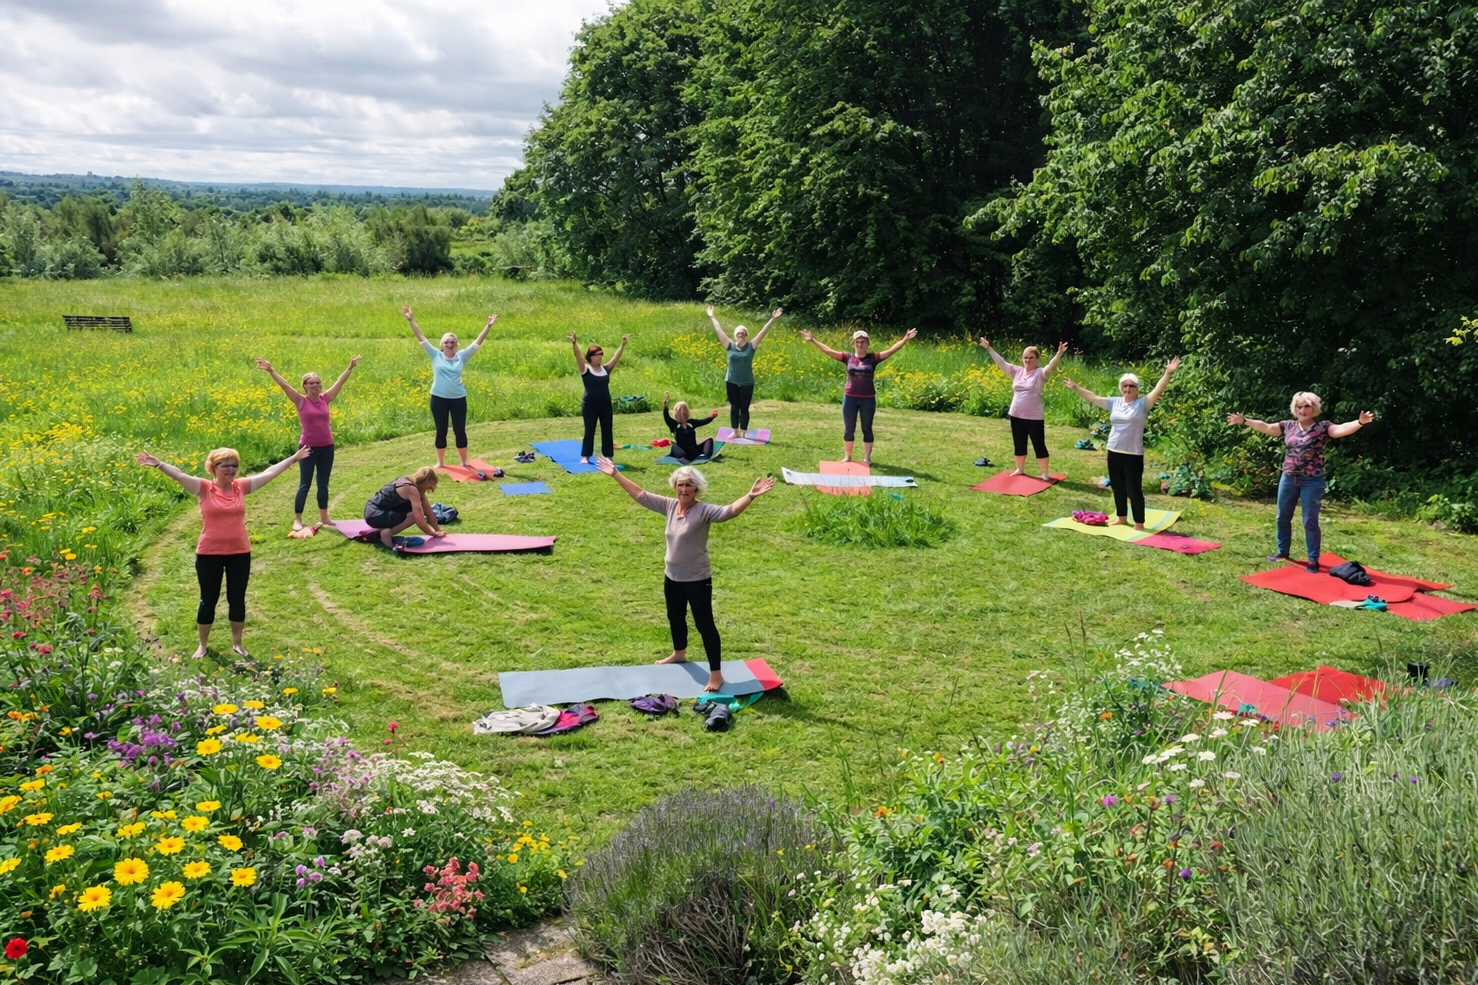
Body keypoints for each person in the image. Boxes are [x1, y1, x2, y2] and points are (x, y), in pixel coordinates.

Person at [595, 456, 774, 692]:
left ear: (696, 488)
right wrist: (616, 474)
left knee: (705, 625)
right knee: (675, 616)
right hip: (672, 577)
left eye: (689, 484)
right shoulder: (669, 505)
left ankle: (716, 675)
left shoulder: (703, 510)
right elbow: (641, 495)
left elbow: (728, 512)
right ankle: (679, 653)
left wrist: (750, 496)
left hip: (697, 579)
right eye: (680, 484)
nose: (684, 489)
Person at [135, 446, 308, 659]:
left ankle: (237, 643)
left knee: (237, 598)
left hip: (240, 552)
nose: (231, 469)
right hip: (209, 554)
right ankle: (202, 645)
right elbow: (180, 475)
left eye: (234, 465)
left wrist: (293, 458)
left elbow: (269, 473)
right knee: (208, 599)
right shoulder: (204, 488)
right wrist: (159, 464)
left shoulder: (240, 487)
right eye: (225, 465)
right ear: (213, 467)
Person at [1227, 394, 1375, 573]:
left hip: (1312, 481)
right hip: (1288, 478)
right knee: (1282, 517)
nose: (1302, 410)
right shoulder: (1288, 426)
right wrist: (1244, 421)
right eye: (1299, 407)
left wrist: (1359, 423)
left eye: (1307, 407)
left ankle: (1313, 560)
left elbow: (1341, 429)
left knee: (1309, 522)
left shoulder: (1322, 427)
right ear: (1294, 409)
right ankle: (1283, 552)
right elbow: (1266, 426)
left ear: (1314, 409)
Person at [1062, 358, 1181, 529]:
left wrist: (1168, 373)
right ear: (1121, 388)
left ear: (1137, 389)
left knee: (1133, 490)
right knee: (1117, 486)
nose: (1127, 389)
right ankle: (1122, 517)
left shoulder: (1143, 403)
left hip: (1133, 453)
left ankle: (1139, 523)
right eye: (1125, 386)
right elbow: (1094, 398)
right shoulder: (1115, 402)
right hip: (1114, 450)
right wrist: (1076, 387)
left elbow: (1158, 389)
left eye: (1131, 386)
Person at [254, 354, 361, 531]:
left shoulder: (325, 398)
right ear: (304, 386)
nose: (315, 386)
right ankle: (298, 519)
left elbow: (339, 383)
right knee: (305, 483)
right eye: (311, 383)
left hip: (327, 447)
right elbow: (284, 385)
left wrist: (350, 368)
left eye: (318, 383)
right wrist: (271, 370)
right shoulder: (300, 401)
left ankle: (324, 517)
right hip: (308, 448)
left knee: (323, 482)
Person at [799, 326, 918, 464]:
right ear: (854, 343)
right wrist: (813, 340)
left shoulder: (873, 358)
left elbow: (891, 350)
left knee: (866, 428)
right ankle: (847, 457)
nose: (860, 344)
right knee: (849, 428)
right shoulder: (847, 357)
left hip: (868, 400)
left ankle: (867, 458)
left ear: (868, 344)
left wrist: (905, 339)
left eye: (863, 341)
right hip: (850, 398)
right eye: (857, 341)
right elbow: (828, 351)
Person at [402, 306, 495, 468]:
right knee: (441, 430)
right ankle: (440, 462)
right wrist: (411, 320)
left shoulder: (462, 356)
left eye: (452, 342)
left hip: (458, 399)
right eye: (447, 342)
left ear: (457, 344)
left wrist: (488, 326)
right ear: (442, 344)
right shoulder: (435, 354)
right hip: (438, 399)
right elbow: (421, 337)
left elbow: (476, 343)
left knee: (460, 430)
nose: (450, 344)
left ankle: (464, 461)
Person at [978, 338, 1069, 477]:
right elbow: (1001, 362)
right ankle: (1020, 469)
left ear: (1037, 359)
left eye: (1031, 358)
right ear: (1022, 359)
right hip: (1016, 415)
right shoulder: (1017, 372)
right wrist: (989, 348)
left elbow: (1051, 365)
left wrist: (1058, 354)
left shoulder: (1040, 373)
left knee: (1039, 444)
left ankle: (1044, 473)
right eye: (1025, 358)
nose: (1028, 360)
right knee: (1019, 443)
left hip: (1034, 416)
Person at [707, 305, 782, 431]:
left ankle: (744, 431)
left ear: (746, 335)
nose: (741, 334)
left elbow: (763, 332)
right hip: (731, 381)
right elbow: (719, 331)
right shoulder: (729, 345)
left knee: (744, 408)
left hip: (747, 382)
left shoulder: (751, 346)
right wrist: (712, 316)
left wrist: (773, 319)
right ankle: (735, 431)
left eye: (743, 333)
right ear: (735, 335)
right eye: (738, 333)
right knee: (734, 407)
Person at [569, 331, 629, 463]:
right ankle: (586, 456)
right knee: (589, 430)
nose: (600, 357)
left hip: (605, 405)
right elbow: (578, 355)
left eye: (601, 354)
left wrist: (622, 345)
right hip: (589, 405)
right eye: (597, 355)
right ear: (590, 357)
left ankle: (608, 456)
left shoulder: (605, 369)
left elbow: (615, 357)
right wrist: (574, 343)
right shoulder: (585, 369)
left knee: (607, 429)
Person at [361, 466, 449, 549]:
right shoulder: (412, 489)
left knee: (412, 513)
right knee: (414, 515)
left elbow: (429, 512)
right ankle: (386, 534)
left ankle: (378, 532)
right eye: (431, 485)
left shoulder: (411, 483)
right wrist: (432, 533)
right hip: (375, 514)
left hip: (371, 511)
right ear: (428, 482)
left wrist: (438, 530)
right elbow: (419, 518)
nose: (430, 488)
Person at [663, 392, 720, 463]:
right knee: (674, 445)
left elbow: (703, 421)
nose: (683, 412)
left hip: (694, 451)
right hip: (682, 452)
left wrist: (712, 417)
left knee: (710, 440)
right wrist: (665, 406)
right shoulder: (673, 424)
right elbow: (666, 417)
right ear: (676, 412)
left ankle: (707, 457)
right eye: (680, 410)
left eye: (684, 409)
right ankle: (683, 458)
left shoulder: (691, 422)